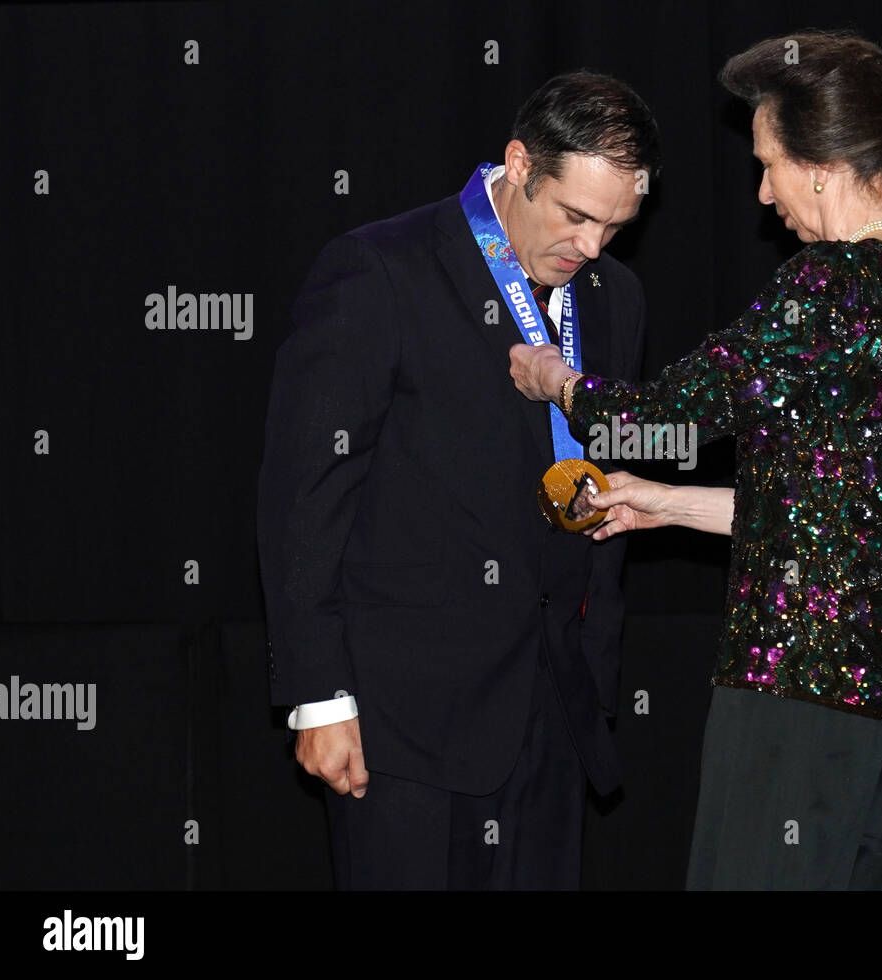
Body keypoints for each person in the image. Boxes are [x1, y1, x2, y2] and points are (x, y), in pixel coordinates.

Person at [510, 31, 882, 889]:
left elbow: (656, 418)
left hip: (793, 703)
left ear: (823, 168)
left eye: (769, 164)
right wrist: (668, 504)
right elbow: (837, 515)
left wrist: (558, 378)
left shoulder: (831, 285)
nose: (763, 194)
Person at [257, 71, 660, 889]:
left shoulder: (616, 297)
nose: (590, 247)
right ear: (519, 165)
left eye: (615, 226)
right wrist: (320, 695)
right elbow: (303, 493)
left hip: (553, 711)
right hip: (399, 720)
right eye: (575, 216)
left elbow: (608, 485)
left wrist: (596, 670)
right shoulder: (380, 269)